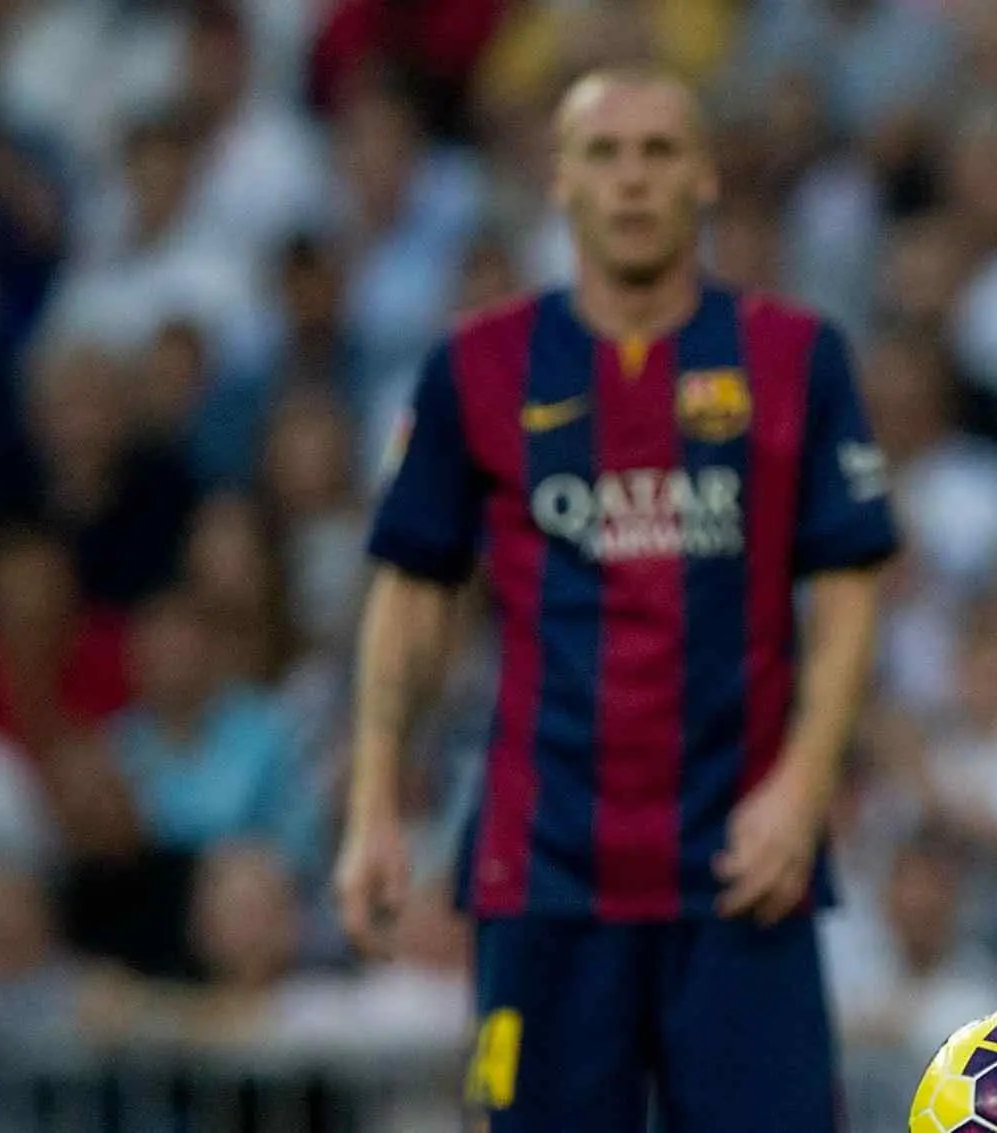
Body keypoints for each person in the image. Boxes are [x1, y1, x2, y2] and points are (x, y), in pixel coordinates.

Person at [333, 66, 896, 1132]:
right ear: (559, 182)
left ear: (705, 176)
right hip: (543, 870)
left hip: (742, 868)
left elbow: (851, 586)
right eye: (603, 153)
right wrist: (371, 807)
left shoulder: (796, 357)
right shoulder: (475, 366)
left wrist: (803, 789)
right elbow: (411, 591)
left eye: (657, 152)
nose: (631, 179)